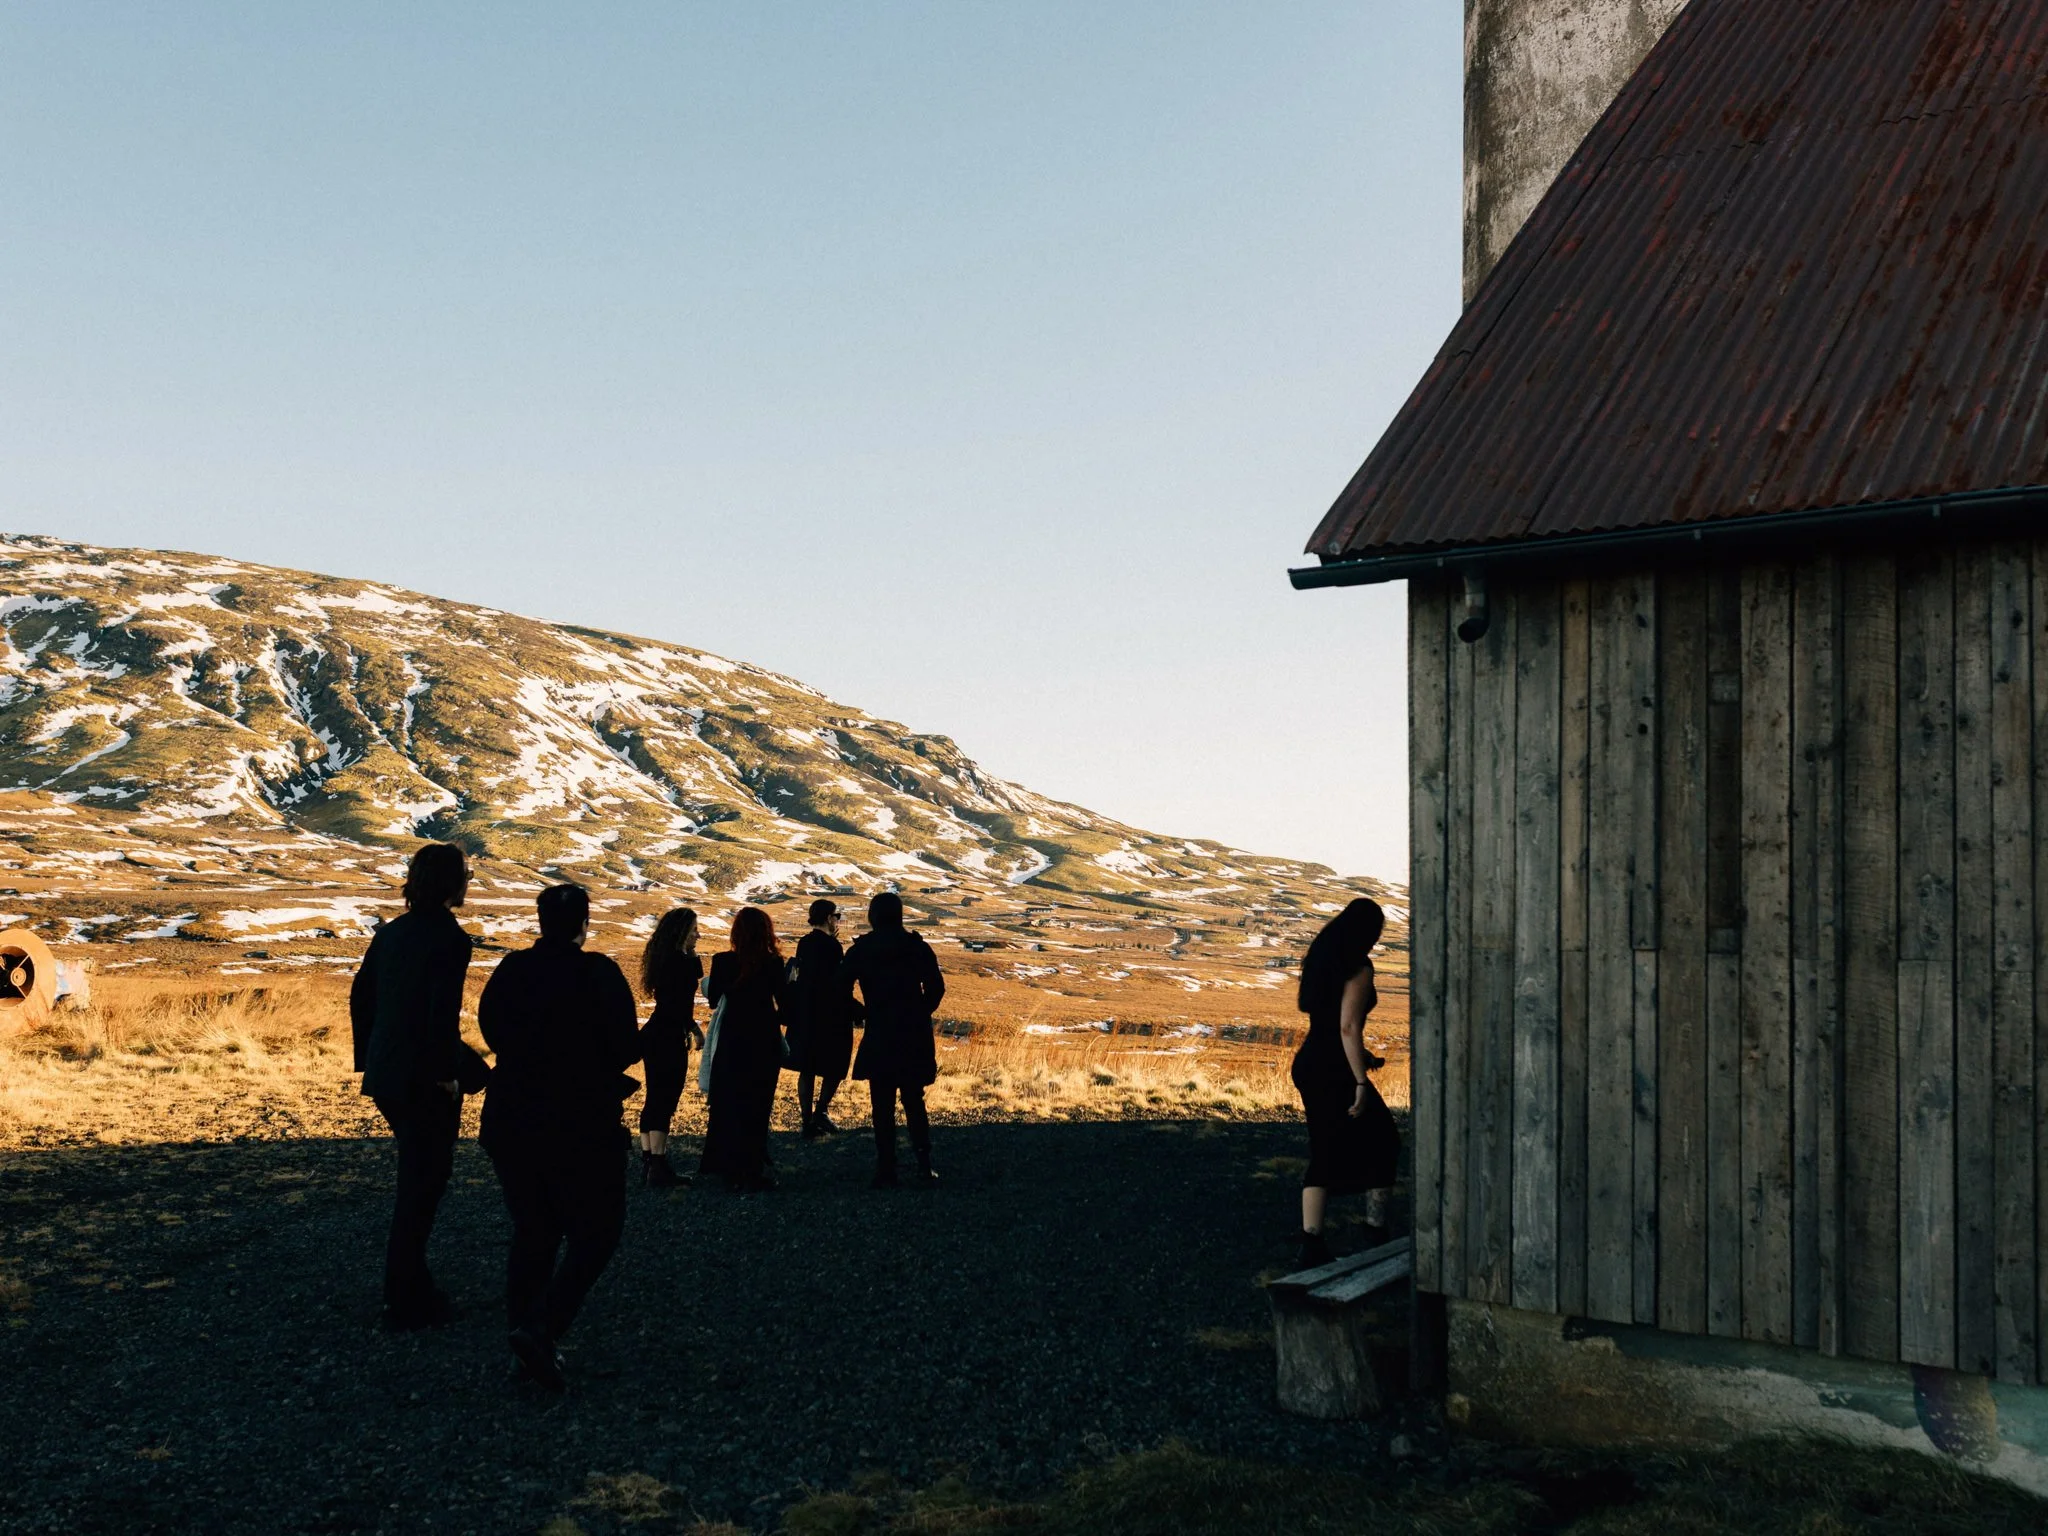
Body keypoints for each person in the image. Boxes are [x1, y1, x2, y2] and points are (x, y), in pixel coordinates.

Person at [476, 883, 640, 1391]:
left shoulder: (511, 970)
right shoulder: (599, 973)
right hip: (581, 1122)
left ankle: (522, 1340)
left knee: (533, 1230)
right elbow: (625, 1047)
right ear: (583, 924)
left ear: (540, 920)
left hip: (512, 1118)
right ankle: (541, 1330)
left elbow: (492, 1031)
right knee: (597, 1232)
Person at [349, 841, 486, 1330]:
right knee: (423, 1186)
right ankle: (404, 1297)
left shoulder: (392, 933)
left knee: (417, 1179)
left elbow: (361, 996)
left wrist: (370, 1059)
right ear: (455, 883)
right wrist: (446, 1072)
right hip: (424, 1077)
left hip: (388, 1074)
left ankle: (410, 1285)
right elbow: (440, 1014)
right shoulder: (450, 938)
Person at [1290, 897, 1400, 1268]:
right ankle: (1375, 1232)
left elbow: (1327, 1024)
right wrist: (1361, 1081)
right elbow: (1348, 1026)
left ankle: (1311, 1244)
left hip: (1310, 1062)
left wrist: (1363, 1058)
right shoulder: (1359, 966)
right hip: (1334, 1068)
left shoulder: (1321, 959)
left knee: (1323, 1148)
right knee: (1385, 1138)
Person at [842, 891, 945, 1188]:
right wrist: (920, 1011)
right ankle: (924, 1164)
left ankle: (886, 1168)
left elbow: (838, 986)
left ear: (873, 916)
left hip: (879, 1033)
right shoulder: (917, 947)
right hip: (912, 1034)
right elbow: (936, 987)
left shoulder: (862, 949)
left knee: (882, 1103)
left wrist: (860, 1012)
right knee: (914, 1099)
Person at [699, 905, 787, 1191]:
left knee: (728, 1104)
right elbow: (785, 1006)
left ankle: (727, 1168)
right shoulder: (774, 963)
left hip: (732, 1041)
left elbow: (713, 1000)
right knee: (757, 1105)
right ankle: (752, 1169)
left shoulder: (722, 961)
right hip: (764, 1041)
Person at [636, 907, 705, 1188]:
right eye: (694, 931)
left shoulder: (662, 959)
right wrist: (692, 1028)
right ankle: (659, 1165)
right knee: (666, 1098)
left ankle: (649, 1160)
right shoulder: (682, 962)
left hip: (654, 1032)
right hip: (668, 1035)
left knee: (654, 1098)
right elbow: (683, 1003)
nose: (698, 935)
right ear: (682, 933)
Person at [785, 897, 861, 1138]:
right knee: (835, 1065)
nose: (837, 921)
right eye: (836, 917)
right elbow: (836, 982)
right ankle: (821, 1112)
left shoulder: (804, 943)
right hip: (831, 1015)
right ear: (829, 918)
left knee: (806, 1067)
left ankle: (806, 1119)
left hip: (805, 1012)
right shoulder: (832, 947)